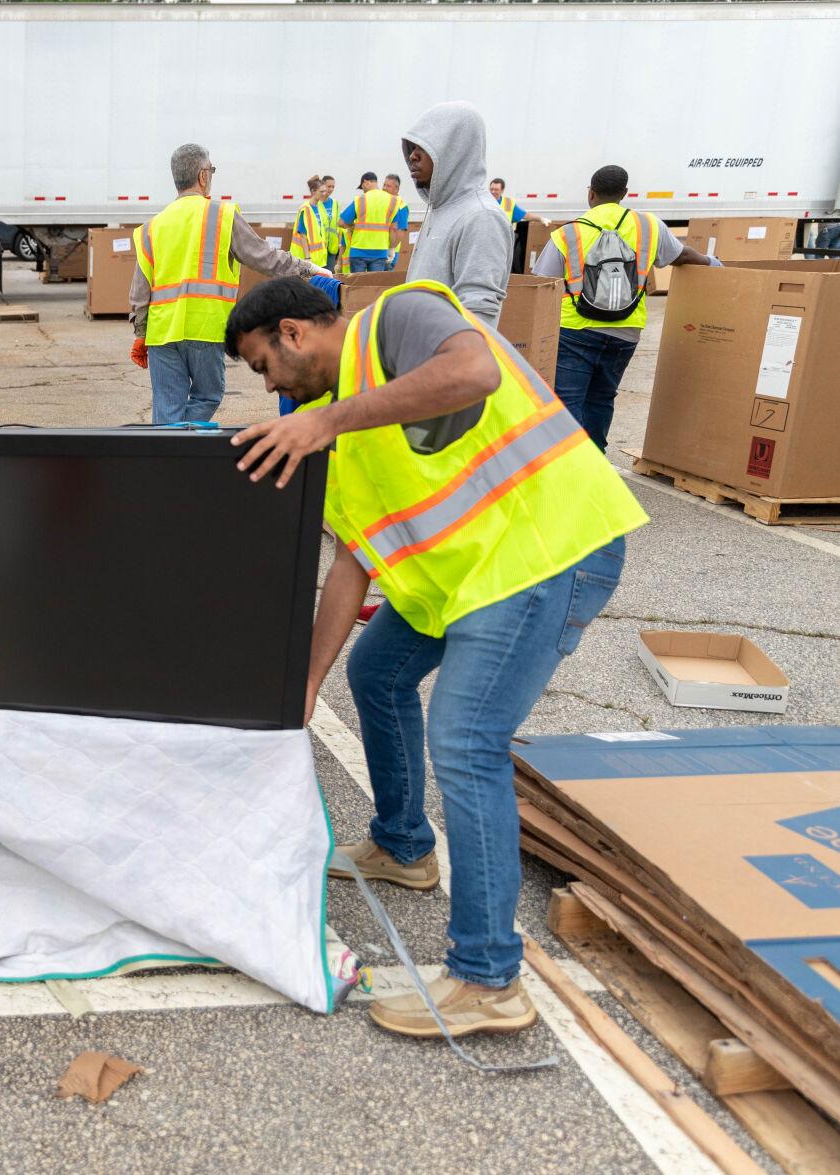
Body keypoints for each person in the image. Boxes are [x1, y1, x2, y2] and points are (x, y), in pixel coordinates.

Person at [224, 277, 646, 1039]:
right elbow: (349, 566)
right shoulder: (338, 427)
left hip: (546, 551)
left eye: (262, 364)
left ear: (292, 332)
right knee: (374, 672)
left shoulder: (395, 319)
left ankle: (488, 980)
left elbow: (473, 372)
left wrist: (326, 423)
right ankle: (401, 845)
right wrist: (306, 686)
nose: (269, 384)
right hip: (469, 575)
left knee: (465, 740)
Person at [128, 144, 322, 424]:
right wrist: (306, 268)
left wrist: (141, 332)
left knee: (167, 407)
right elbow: (264, 258)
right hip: (205, 327)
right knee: (207, 396)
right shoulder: (221, 215)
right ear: (203, 175)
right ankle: (178, 440)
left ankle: (168, 450)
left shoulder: (151, 227)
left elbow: (140, 288)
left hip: (161, 332)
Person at [533, 164, 719, 453]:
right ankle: (596, 464)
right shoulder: (649, 226)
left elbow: (543, 282)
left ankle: (568, 464)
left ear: (590, 194)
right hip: (626, 332)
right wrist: (711, 262)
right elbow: (680, 255)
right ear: (624, 194)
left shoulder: (569, 233)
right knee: (602, 398)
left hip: (575, 331)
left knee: (568, 401)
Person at [401, 102, 512, 328]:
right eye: (412, 147)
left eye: (425, 147)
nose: (413, 156)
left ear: (455, 150)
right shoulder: (441, 208)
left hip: (443, 361)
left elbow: (478, 316)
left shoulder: (482, 217)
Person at [340, 171, 404, 273]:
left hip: (358, 250)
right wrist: (391, 248)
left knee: (356, 286)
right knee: (374, 285)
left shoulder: (360, 199)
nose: (363, 190)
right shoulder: (392, 201)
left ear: (365, 182)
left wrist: (353, 226)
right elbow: (394, 228)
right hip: (380, 252)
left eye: (362, 187)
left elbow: (341, 223)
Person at [289, 176, 330, 270]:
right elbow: (303, 235)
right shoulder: (306, 209)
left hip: (318, 258)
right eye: (321, 191)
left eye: (325, 191)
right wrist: (307, 258)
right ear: (313, 191)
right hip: (305, 257)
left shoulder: (319, 206)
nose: (324, 194)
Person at [382, 173, 411, 270]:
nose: (384, 188)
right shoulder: (384, 202)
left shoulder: (401, 206)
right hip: (379, 250)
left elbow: (401, 231)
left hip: (390, 253)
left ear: (396, 189)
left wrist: (391, 249)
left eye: (388, 186)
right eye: (384, 185)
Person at [318, 174, 344, 274]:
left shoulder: (335, 203)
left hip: (332, 248)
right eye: (329, 186)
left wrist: (339, 242)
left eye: (333, 186)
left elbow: (339, 225)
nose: (331, 189)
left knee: (330, 275)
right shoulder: (316, 203)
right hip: (319, 248)